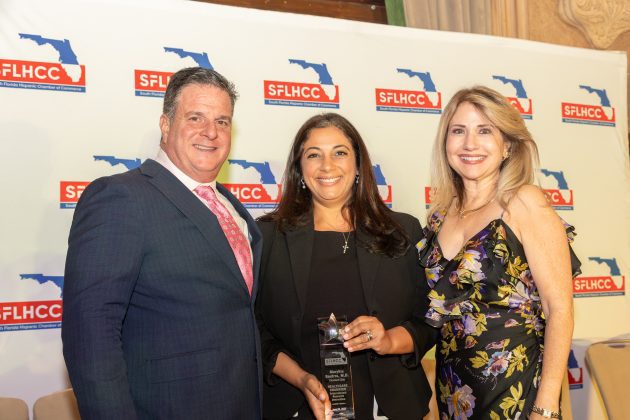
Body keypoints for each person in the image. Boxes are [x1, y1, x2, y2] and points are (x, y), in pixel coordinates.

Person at [62, 67, 262, 420]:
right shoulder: (121, 198)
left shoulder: (232, 208)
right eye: (195, 117)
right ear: (166, 124)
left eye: (222, 121)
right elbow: (91, 335)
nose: (211, 132)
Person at [256, 112, 436, 420]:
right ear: (299, 168)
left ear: (358, 164)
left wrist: (389, 340)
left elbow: (429, 320)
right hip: (299, 407)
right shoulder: (268, 236)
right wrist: (300, 379)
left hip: (389, 407)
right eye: (314, 155)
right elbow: (254, 330)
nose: (327, 166)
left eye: (340, 153)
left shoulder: (403, 231)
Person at [418, 86, 581, 419]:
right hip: (455, 391)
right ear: (445, 143)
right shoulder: (439, 215)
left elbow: (559, 309)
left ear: (507, 145)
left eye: (484, 131)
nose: (470, 144)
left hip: (515, 389)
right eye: (458, 131)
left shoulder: (524, 202)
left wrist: (545, 407)